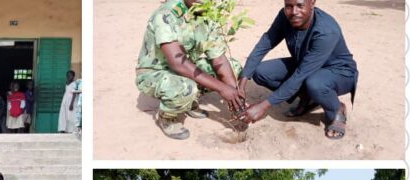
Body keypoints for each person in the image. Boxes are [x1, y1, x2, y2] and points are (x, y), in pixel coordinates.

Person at [238, 0, 357, 140]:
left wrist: (263, 106)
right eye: (289, 6)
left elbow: (300, 76)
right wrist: (243, 80)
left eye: (300, 6)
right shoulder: (285, 16)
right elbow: (265, 43)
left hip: (338, 71)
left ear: (312, 3)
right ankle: (309, 98)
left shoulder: (326, 30)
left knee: (315, 83)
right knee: (260, 72)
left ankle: (336, 109)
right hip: (305, 64)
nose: (294, 12)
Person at [136, 0, 244, 140]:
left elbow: (219, 60)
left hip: (187, 68)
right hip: (155, 72)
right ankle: (167, 118)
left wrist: (235, 98)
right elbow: (177, 63)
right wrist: (222, 88)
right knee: (186, 87)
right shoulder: (167, 14)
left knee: (233, 68)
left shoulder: (207, 15)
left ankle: (189, 104)